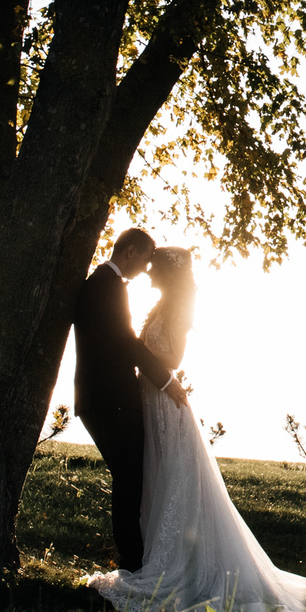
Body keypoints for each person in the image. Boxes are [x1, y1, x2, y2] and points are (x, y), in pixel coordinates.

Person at [85, 243, 306, 612]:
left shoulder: (178, 310)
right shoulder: (160, 306)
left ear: (168, 273)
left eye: (155, 268)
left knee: (174, 482)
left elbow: (174, 358)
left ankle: (176, 566)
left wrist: (153, 368)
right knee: (154, 480)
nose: (149, 273)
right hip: (151, 400)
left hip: (164, 403)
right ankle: (152, 556)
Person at [71, 226, 189, 570]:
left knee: (129, 479)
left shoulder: (101, 284)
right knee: (129, 481)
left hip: (101, 396)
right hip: (113, 397)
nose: (146, 268)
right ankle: (133, 562)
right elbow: (126, 341)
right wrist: (166, 380)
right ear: (131, 251)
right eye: (146, 258)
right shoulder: (107, 286)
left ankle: (134, 557)